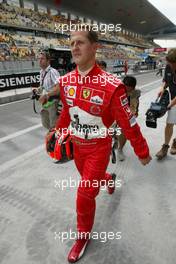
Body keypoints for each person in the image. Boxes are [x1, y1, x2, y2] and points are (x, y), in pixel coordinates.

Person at [55, 26, 151, 263]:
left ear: (95, 47)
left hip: (99, 148)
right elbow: (67, 112)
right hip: (77, 148)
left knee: (84, 194)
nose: (75, 47)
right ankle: (108, 179)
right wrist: (58, 133)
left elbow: (128, 122)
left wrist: (142, 150)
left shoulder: (112, 85)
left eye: (80, 42)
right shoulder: (66, 81)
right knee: (92, 185)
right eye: (72, 43)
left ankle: (82, 236)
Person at [156, 49, 176, 159]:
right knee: (169, 123)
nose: (171, 66)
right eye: (170, 63)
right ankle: (165, 146)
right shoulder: (168, 66)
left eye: (173, 63)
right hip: (173, 99)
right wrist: (162, 88)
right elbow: (166, 80)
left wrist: (168, 106)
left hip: (174, 101)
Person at [116, 75, 141, 161]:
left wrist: (132, 114)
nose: (126, 90)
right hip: (114, 112)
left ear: (133, 88)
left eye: (129, 88)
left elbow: (133, 107)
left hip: (126, 114)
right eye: (125, 87)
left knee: (124, 131)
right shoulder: (116, 90)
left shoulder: (134, 94)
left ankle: (120, 149)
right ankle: (115, 139)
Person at [34, 50, 60, 130]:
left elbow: (58, 88)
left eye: (42, 59)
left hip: (53, 102)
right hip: (45, 102)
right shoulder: (41, 72)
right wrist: (38, 90)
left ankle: (54, 140)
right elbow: (43, 86)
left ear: (48, 61)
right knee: (45, 123)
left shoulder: (53, 72)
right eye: (39, 59)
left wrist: (47, 95)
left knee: (54, 126)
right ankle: (52, 138)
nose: (40, 61)